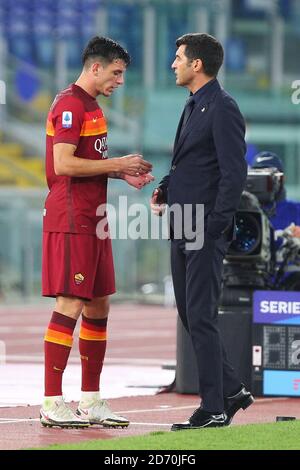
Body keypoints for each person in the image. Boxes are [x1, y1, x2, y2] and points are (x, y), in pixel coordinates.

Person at [41, 36, 153, 429]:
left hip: (94, 217)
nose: (119, 81)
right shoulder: (71, 105)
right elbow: (65, 165)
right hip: (72, 217)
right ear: (95, 67)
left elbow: (88, 162)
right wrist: (117, 162)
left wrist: (120, 171)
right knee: (70, 302)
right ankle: (52, 401)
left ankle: (91, 400)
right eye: (116, 73)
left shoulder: (92, 107)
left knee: (99, 303)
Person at [151, 33, 254, 429]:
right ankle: (231, 390)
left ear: (197, 65)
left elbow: (234, 172)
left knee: (200, 314)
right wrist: (165, 185)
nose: (173, 63)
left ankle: (213, 407)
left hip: (204, 228)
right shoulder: (194, 104)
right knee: (190, 314)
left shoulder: (224, 107)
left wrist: (214, 225)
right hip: (183, 223)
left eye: (178, 58)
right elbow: (190, 164)